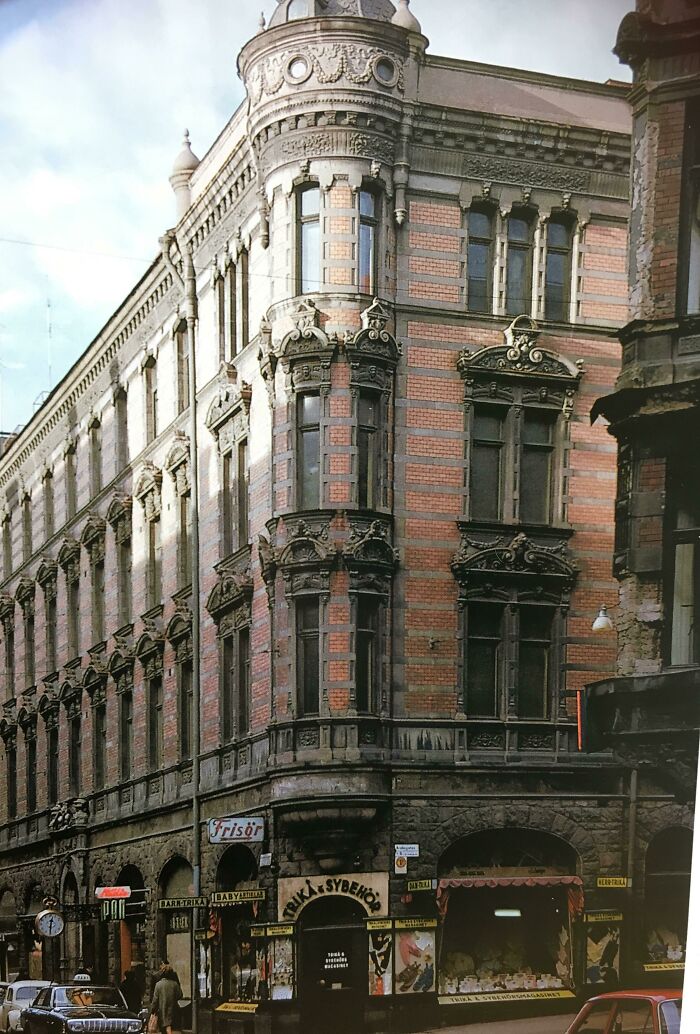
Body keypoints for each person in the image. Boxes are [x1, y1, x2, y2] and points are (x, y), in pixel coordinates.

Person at [150, 962, 182, 1034]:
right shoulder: (175, 984)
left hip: (162, 1011)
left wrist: (153, 1010)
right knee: (171, 1028)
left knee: (164, 1029)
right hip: (173, 1010)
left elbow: (155, 1000)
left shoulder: (158, 985)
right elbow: (180, 995)